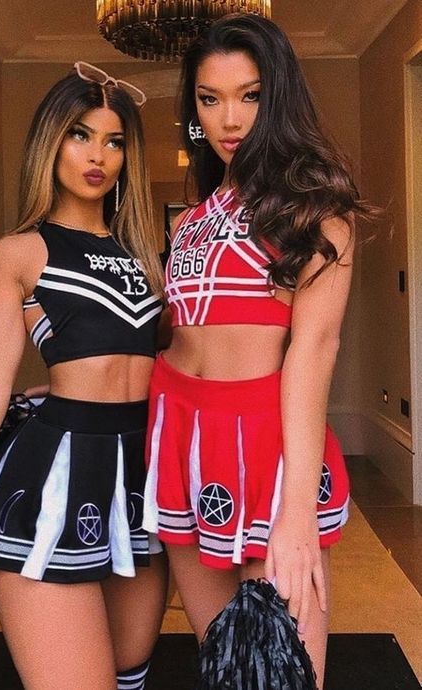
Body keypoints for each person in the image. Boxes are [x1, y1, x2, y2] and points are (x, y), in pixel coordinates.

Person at [0, 62, 168, 690]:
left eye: (114, 141)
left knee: (130, 675)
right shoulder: (20, 252)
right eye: (81, 135)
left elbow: (167, 361)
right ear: (50, 141)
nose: (98, 156)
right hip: (54, 475)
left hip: (142, 479)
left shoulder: (146, 254)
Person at [142, 13, 375, 688]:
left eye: (249, 95)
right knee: (224, 662)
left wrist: (296, 512)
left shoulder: (315, 209)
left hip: (268, 443)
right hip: (180, 431)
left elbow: (313, 353)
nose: (229, 118)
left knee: (283, 671)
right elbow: (176, 333)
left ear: (278, 98)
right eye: (210, 99)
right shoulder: (190, 219)